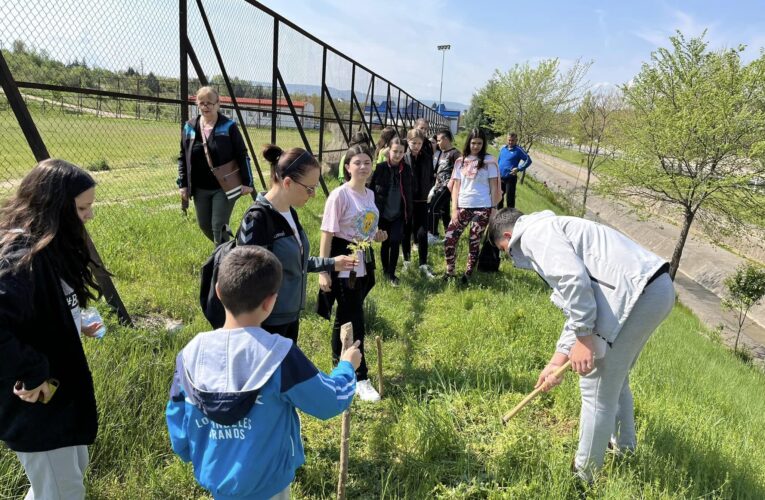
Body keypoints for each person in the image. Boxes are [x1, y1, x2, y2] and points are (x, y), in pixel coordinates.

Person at [488, 208, 674, 482]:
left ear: (508, 235)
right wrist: (556, 361)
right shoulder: (550, 228)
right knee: (614, 377)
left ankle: (584, 476)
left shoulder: (533, 236)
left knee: (596, 382)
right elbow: (574, 304)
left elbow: (574, 282)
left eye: (506, 250)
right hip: (654, 289)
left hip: (639, 294)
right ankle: (624, 448)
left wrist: (585, 339)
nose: (512, 256)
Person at [166, 245, 361, 500]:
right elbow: (329, 401)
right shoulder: (279, 355)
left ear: (218, 291)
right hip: (269, 485)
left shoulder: (191, 355)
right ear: (270, 302)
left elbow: (176, 417)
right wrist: (347, 366)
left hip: (217, 482)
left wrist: (191, 452)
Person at [0, 159, 104, 499]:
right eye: (82, 208)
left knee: (71, 469)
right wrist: (31, 373)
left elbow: (46, 304)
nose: (89, 215)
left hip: (57, 394)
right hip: (35, 404)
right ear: (55, 207)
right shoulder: (20, 254)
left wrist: (75, 319)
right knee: (63, 491)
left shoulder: (49, 243)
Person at [237, 146, 356, 344]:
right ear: (287, 182)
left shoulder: (290, 213)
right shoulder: (257, 220)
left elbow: (295, 261)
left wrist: (330, 263)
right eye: (310, 188)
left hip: (289, 317)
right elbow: (246, 283)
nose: (314, 194)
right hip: (266, 325)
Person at [318, 144, 387, 402]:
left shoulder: (369, 195)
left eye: (367, 162)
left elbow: (366, 227)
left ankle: (340, 367)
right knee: (355, 319)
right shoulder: (339, 195)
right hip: (343, 259)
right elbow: (327, 232)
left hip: (363, 259)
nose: (363, 166)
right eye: (357, 162)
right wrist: (324, 269)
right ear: (347, 167)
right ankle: (360, 377)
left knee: (346, 316)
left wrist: (377, 235)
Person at [178, 86, 255, 245]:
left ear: (218, 104)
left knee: (218, 226)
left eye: (210, 103)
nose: (206, 107)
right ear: (197, 104)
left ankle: (220, 264)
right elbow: (183, 157)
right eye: (202, 103)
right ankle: (231, 250)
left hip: (224, 187)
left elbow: (242, 154)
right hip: (200, 188)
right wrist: (183, 184)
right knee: (204, 225)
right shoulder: (189, 127)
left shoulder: (228, 126)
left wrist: (248, 182)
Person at [443, 128, 500, 284]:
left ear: (484, 144)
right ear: (468, 142)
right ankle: (450, 272)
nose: (476, 146)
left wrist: (494, 208)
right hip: (462, 205)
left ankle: (468, 274)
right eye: (473, 143)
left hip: (483, 206)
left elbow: (494, 187)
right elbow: (455, 187)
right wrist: (454, 209)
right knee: (449, 238)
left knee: (474, 240)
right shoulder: (460, 161)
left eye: (479, 143)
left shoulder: (489, 162)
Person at [369, 137, 413, 286]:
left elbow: (408, 192)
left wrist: (409, 211)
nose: (397, 155)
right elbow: (372, 189)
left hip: (398, 214)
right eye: (395, 151)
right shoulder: (380, 168)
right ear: (389, 150)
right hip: (383, 213)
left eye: (401, 152)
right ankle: (385, 270)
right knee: (385, 243)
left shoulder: (406, 169)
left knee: (395, 241)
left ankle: (392, 273)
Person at [403, 128, 435, 278]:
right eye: (413, 142)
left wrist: (431, 189)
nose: (416, 145)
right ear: (408, 142)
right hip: (407, 201)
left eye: (419, 143)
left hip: (422, 200)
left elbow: (431, 176)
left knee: (422, 233)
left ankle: (423, 263)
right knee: (406, 231)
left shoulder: (427, 157)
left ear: (423, 143)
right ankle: (407, 261)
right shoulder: (403, 158)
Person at [428, 128, 460, 244]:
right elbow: (440, 171)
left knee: (433, 208)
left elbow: (460, 172)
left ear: (446, 139)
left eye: (439, 140)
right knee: (444, 212)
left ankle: (433, 234)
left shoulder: (455, 154)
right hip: (439, 186)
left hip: (447, 187)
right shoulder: (442, 153)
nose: (437, 143)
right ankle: (450, 235)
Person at [497, 132, 532, 209]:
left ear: (516, 140)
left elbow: (528, 160)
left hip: (510, 178)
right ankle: (498, 215)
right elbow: (499, 160)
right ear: (507, 139)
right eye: (509, 140)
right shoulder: (503, 148)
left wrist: (519, 168)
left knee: (510, 200)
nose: (510, 142)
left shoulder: (519, 150)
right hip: (500, 177)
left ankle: (510, 218)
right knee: (498, 198)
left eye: (512, 140)